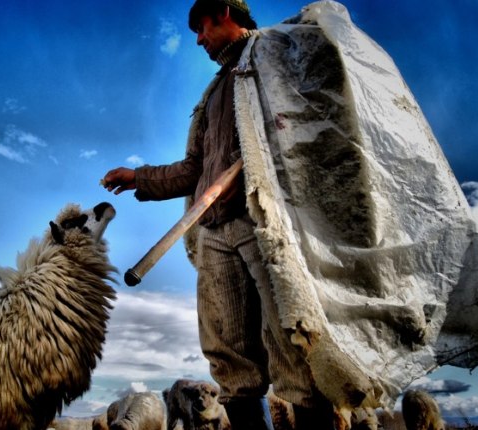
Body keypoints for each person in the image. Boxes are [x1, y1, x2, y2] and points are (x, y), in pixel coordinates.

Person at [102, 1, 338, 429]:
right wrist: (139, 177)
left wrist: (259, 159)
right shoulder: (212, 94)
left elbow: (310, 124)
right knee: (227, 353)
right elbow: (194, 169)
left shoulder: (274, 55)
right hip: (213, 230)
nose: (197, 40)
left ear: (225, 11)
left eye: (202, 28)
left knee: (291, 344)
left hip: (263, 222)